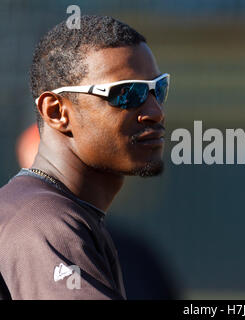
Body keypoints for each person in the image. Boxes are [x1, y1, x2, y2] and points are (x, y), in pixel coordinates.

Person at [0, 15, 169, 299]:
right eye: (127, 93)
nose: (155, 112)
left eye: (158, 89)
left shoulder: (50, 213)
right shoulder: (47, 224)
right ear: (56, 112)